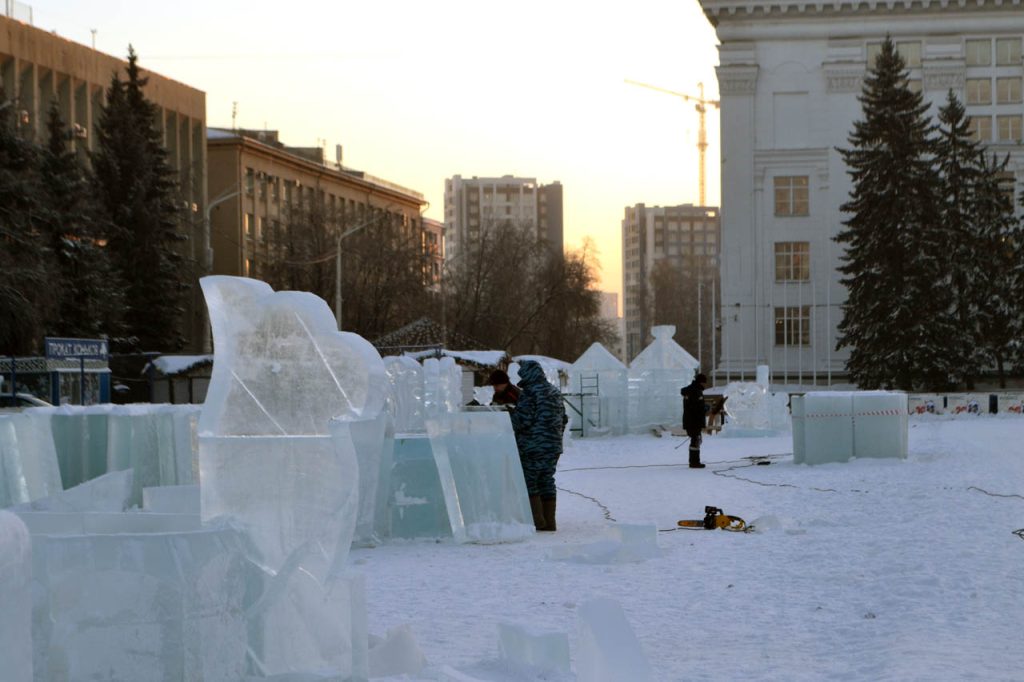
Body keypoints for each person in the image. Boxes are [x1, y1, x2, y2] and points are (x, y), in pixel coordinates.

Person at [508, 359, 566, 531]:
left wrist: (508, 416)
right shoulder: (554, 391)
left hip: (532, 446)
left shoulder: (530, 392)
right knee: (547, 480)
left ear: (527, 374)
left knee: (530, 481)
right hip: (553, 447)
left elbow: (522, 421)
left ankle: (537, 522)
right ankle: (550, 523)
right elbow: (563, 419)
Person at [681, 373, 708, 469]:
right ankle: (694, 462)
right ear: (701, 382)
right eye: (705, 383)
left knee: (695, 439)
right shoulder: (695, 391)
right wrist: (705, 408)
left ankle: (694, 461)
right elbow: (696, 408)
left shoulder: (690, 390)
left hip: (690, 420)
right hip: (694, 420)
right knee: (695, 440)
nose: (705, 385)